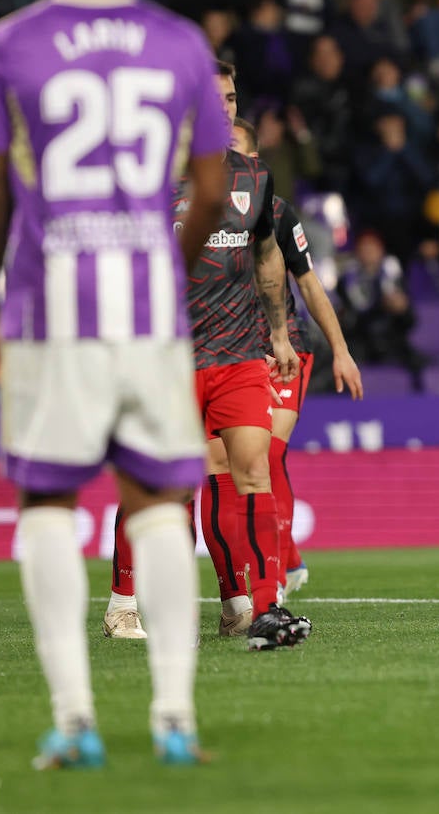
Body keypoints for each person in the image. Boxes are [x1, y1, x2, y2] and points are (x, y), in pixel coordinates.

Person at [0, 0, 230, 767]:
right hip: (148, 310)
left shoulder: (5, 45)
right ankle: (174, 717)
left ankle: (74, 718)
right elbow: (217, 189)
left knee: (47, 499)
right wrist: (162, 260)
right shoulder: (181, 41)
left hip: (50, 308)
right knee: (156, 501)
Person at [104, 60, 311, 652]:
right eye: (212, 97)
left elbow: (269, 256)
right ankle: (122, 601)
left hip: (240, 354)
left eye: (231, 97)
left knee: (251, 470)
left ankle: (261, 605)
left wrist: (277, 334)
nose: (224, 108)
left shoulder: (254, 176)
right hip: (167, 359)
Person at [226, 115, 364, 596]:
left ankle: (275, 577)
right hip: (227, 353)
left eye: (238, 151)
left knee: (268, 452)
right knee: (237, 465)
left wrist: (341, 351)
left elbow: (309, 284)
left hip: (285, 349)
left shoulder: (278, 214)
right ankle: (285, 558)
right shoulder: (197, 211)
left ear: (256, 161)